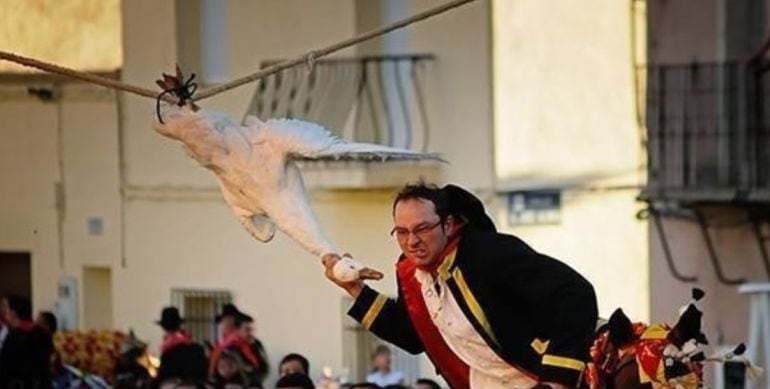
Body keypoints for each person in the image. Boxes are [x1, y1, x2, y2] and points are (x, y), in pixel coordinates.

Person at [323, 182, 598, 389]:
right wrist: (356, 290)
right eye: (402, 232)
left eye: (422, 229)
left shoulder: (488, 254)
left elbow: (574, 293)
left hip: (536, 378)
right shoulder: (410, 273)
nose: (412, 242)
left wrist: (556, 379)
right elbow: (414, 336)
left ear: (448, 224)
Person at [0, 294, 55, 388]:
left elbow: (4, 370)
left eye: (7, 309)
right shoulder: (43, 334)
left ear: (13, 313)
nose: (5, 312)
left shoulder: (14, 337)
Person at [153, 306, 208, 387]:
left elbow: (163, 377)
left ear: (164, 328)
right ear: (179, 325)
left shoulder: (168, 351)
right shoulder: (197, 348)